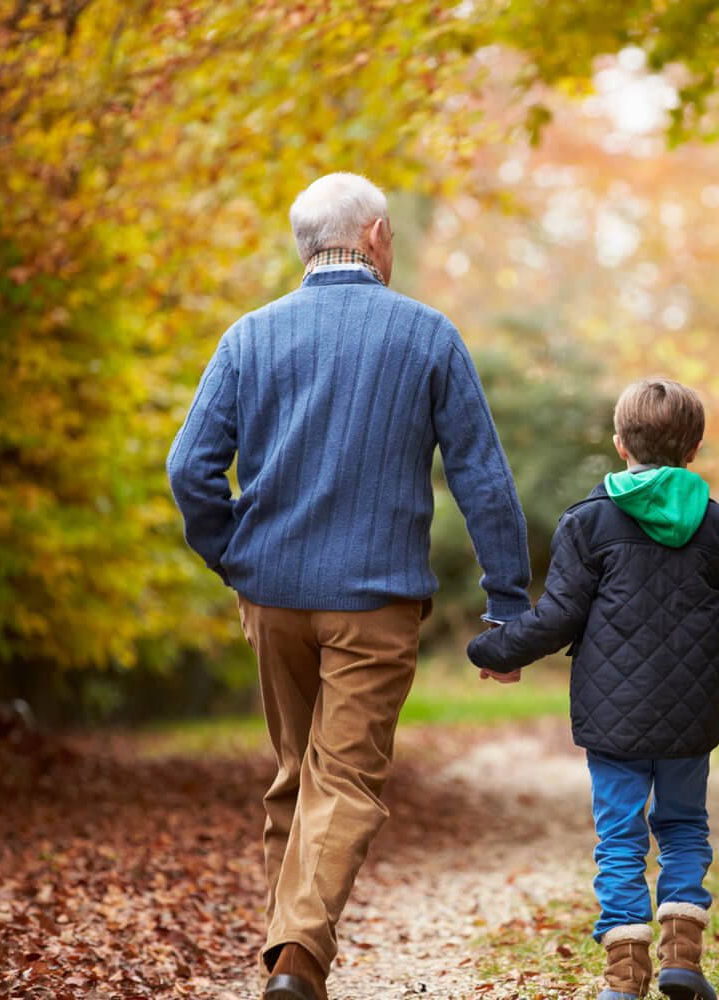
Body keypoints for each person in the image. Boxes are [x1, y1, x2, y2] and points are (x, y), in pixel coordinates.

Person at [166, 172, 532, 1000]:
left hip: (272, 597)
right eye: (393, 235)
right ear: (372, 236)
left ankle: (288, 968)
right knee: (345, 783)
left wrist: (236, 556)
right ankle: (295, 959)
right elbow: (482, 478)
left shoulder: (249, 338)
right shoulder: (427, 335)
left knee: (298, 774)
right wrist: (507, 605)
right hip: (374, 601)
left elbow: (189, 468)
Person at [468, 376, 719, 1000]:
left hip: (610, 715)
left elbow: (558, 615)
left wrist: (494, 650)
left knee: (619, 836)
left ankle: (624, 976)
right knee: (682, 827)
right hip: (689, 714)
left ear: (620, 444)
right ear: (694, 449)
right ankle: (681, 956)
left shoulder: (588, 524)